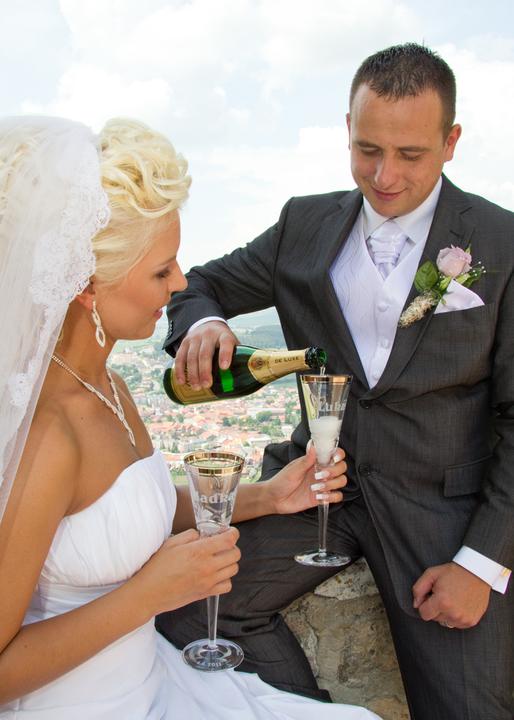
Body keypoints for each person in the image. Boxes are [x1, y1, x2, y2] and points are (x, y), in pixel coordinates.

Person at [157, 43, 514, 720]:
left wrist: (482, 562)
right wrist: (203, 323)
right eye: (366, 149)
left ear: (451, 142)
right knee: (188, 606)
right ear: (347, 131)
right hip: (310, 489)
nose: (384, 175)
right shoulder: (304, 224)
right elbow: (196, 284)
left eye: (410, 154)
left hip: (441, 514)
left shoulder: (502, 242)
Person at [0, 115, 382, 720]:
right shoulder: (48, 433)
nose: (180, 282)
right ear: (86, 285)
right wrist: (149, 595)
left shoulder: (107, 384)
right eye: (161, 270)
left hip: (155, 683)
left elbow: (124, 511)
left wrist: (269, 496)